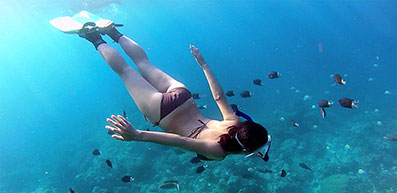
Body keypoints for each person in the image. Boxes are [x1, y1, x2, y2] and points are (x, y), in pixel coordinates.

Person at [77, 21, 271, 161]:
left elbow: (218, 97)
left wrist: (204, 65)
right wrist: (138, 135)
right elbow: (180, 141)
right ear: (246, 151)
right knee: (125, 72)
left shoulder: (234, 122)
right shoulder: (218, 151)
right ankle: (94, 37)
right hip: (162, 112)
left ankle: (112, 32)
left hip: (184, 97)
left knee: (143, 63)